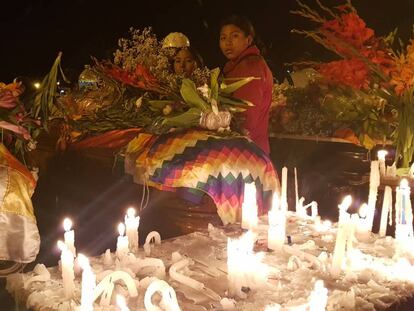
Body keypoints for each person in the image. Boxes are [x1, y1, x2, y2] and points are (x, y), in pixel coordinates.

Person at [219, 15, 273, 154]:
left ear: (248, 40)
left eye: (234, 36)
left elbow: (245, 117)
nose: (228, 42)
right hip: (245, 148)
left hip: (247, 151)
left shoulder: (250, 66)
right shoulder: (237, 66)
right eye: (223, 38)